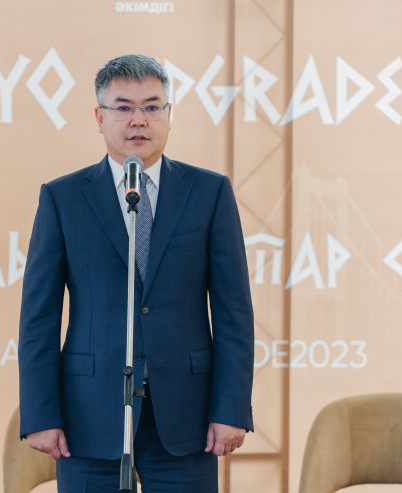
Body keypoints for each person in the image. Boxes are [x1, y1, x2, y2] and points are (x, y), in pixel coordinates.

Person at [18, 54, 254, 493]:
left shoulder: (209, 193)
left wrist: (231, 408)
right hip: (90, 416)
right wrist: (40, 414)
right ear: (99, 117)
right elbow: (38, 318)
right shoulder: (62, 198)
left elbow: (233, 313)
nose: (138, 120)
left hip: (187, 417)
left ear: (169, 114)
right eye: (123, 107)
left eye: (151, 106)